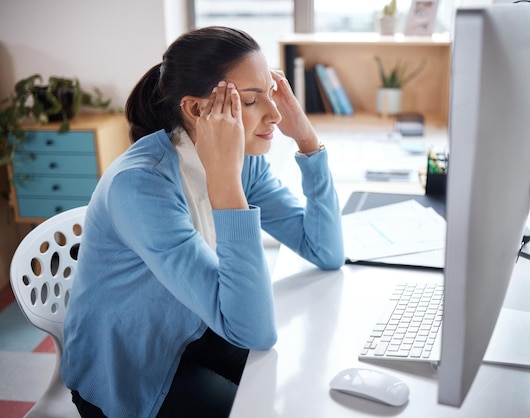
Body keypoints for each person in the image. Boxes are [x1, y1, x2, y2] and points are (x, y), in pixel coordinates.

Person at [61, 26, 344, 417]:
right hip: (130, 368)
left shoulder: (246, 165)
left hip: (194, 322)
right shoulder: (140, 186)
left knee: (298, 383)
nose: (276, 114)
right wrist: (225, 181)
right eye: (250, 100)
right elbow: (254, 329)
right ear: (196, 110)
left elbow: (325, 251)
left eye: (273, 94)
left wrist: (308, 140)